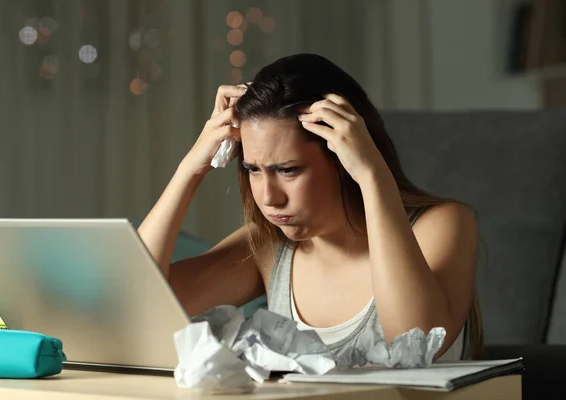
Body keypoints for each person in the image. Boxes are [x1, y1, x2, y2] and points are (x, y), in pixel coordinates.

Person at [138, 53, 483, 363]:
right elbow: (138, 305)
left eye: (288, 170)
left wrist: (372, 174)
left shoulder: (442, 224)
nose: (269, 197)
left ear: (345, 155)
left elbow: (416, 344)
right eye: (252, 169)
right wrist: (191, 168)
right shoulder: (268, 246)